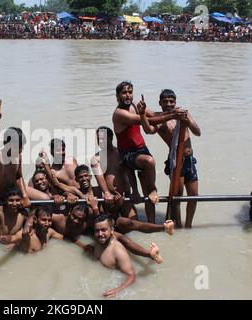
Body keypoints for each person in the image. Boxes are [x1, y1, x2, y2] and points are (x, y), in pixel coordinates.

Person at [112, 81, 185, 223]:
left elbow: (152, 116)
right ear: (118, 96)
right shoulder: (119, 113)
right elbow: (145, 120)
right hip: (127, 154)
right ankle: (153, 189)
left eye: (130, 92)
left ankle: (152, 225)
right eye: (124, 93)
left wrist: (172, 112)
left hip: (141, 149)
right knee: (149, 161)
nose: (128, 95)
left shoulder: (134, 106)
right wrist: (172, 115)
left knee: (148, 195)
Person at [138, 89, 201, 228]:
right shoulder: (162, 120)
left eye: (171, 101)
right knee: (177, 198)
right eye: (165, 101)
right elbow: (148, 130)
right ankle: (178, 225)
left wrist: (188, 121)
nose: (168, 104)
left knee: (194, 196)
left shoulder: (183, 113)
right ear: (160, 103)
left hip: (190, 160)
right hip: (176, 162)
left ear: (175, 102)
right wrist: (142, 113)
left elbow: (198, 132)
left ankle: (188, 226)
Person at [0, 99, 30, 207]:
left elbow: (19, 176)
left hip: (14, 195)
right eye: (21, 146)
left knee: (45, 198)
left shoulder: (18, 156)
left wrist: (25, 196)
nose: (22, 149)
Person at [83, 214, 136, 298]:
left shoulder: (117, 251)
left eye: (104, 230)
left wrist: (117, 290)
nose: (100, 234)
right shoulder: (98, 242)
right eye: (97, 230)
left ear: (111, 230)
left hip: (112, 283)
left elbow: (131, 276)